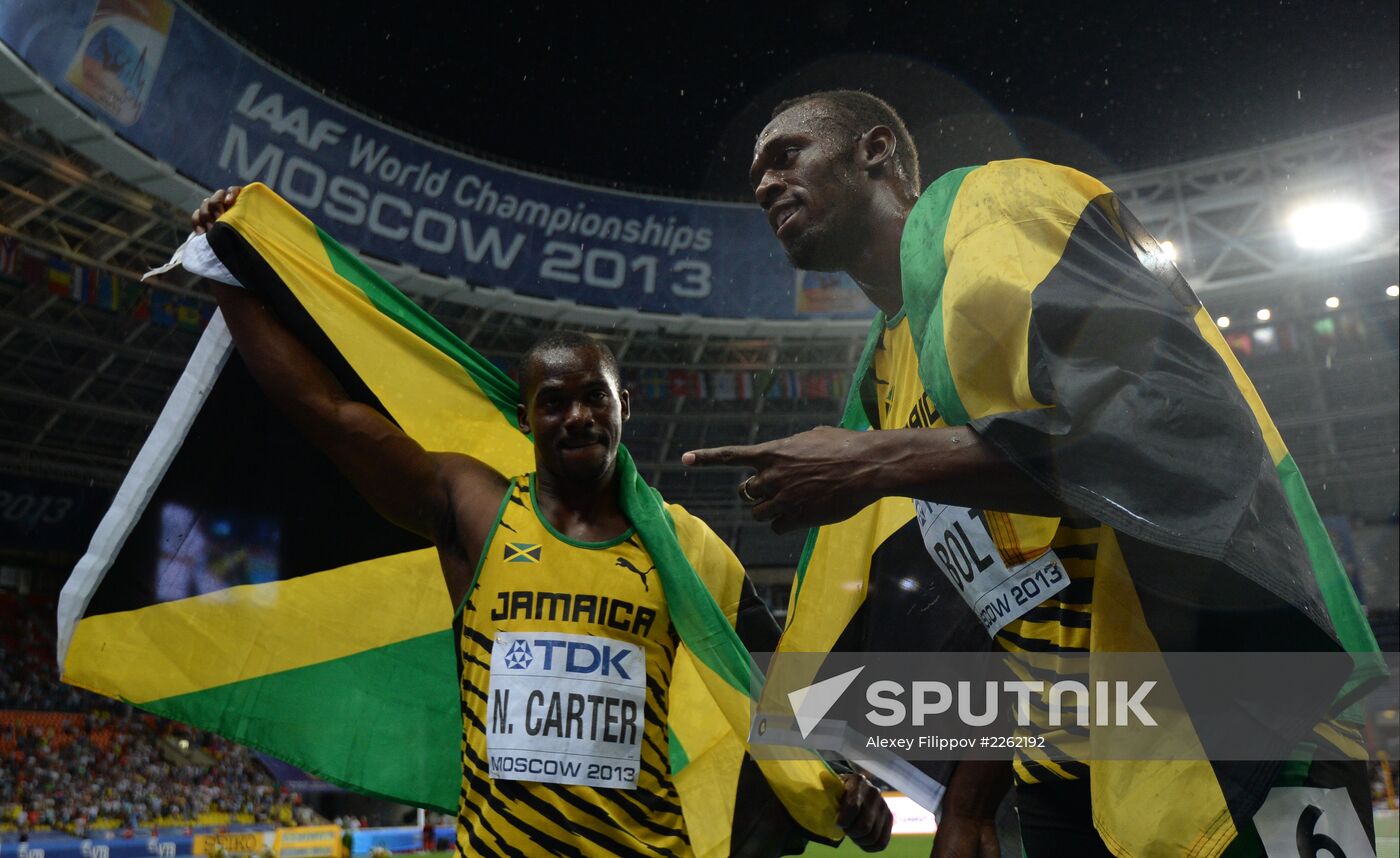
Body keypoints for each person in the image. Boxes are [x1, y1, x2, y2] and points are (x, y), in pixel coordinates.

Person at [683, 90, 1383, 857]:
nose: (764, 184)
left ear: (874, 150)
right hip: (1063, 772)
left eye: (786, 155)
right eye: (756, 174)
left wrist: (874, 463)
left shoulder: (1005, 214)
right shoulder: (887, 373)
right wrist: (970, 804)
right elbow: (1011, 599)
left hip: (1237, 727)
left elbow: (1162, 436)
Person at [189, 187, 892, 858]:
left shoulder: (684, 546)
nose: (578, 415)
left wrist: (840, 774)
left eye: (595, 397)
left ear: (624, 407)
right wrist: (228, 271)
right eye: (554, 402)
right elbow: (328, 416)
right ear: (526, 418)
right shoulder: (476, 511)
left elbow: (774, 678)